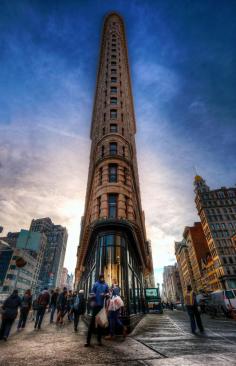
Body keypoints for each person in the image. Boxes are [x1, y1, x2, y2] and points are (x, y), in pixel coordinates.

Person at [84, 274, 109, 347]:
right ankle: (88, 341)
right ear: (99, 278)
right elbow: (91, 294)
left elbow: (108, 294)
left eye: (103, 278)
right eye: (101, 278)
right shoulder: (95, 284)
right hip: (95, 306)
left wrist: (105, 295)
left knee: (100, 324)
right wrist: (93, 297)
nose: (102, 279)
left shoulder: (106, 285)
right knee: (92, 323)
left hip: (101, 307)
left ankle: (99, 340)